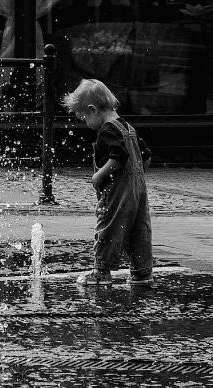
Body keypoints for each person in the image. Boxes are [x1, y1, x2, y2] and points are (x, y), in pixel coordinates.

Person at [62, 79, 154, 286]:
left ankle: (101, 271)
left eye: (84, 117)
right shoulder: (127, 126)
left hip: (117, 192)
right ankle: (142, 273)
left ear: (93, 110)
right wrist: (136, 177)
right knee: (139, 231)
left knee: (109, 226)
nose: (85, 123)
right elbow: (146, 156)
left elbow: (118, 157)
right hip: (138, 192)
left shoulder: (107, 130)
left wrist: (99, 175)